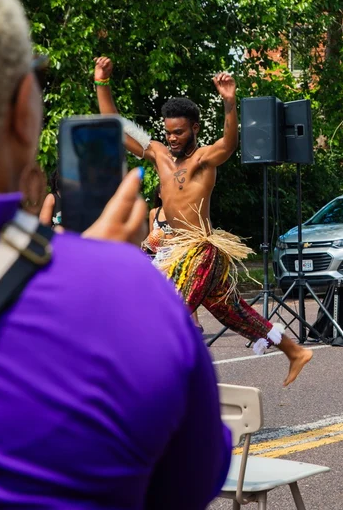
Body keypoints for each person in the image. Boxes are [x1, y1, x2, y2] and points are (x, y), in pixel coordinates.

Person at [0, 0, 230, 508]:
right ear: (23, 111)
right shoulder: (131, 293)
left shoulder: (194, 164)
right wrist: (101, 278)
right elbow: (191, 485)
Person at [94, 57, 311, 383]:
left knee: (170, 313)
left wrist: (229, 102)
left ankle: (159, 382)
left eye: (179, 132)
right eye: (168, 132)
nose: (172, 138)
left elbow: (229, 143)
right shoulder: (158, 154)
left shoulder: (204, 159)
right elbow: (115, 127)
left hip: (202, 251)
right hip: (175, 250)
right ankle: (295, 352)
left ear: (194, 128)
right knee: (235, 313)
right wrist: (102, 83)